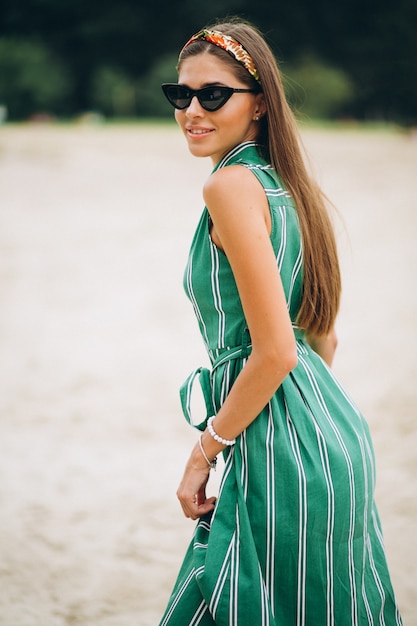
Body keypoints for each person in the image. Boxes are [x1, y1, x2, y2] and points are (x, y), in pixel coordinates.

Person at [159, 18, 402, 626]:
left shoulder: (231, 188)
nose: (192, 109)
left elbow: (276, 352)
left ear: (260, 102)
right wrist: (304, 424)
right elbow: (322, 335)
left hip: (279, 445)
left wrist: (205, 449)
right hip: (332, 436)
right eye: (180, 94)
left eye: (212, 94)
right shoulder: (291, 188)